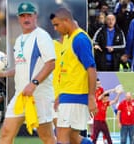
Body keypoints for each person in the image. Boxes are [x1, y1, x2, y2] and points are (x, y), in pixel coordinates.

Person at [0, 2, 56, 144]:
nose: (26, 19)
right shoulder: (19, 40)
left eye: (29, 15)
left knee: (47, 137)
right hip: (20, 95)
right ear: (18, 18)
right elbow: (22, 67)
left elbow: (51, 63)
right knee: (5, 133)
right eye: (22, 16)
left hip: (39, 95)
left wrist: (33, 83)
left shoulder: (42, 36)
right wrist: (4, 74)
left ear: (35, 16)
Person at [50, 7, 97, 144]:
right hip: (67, 95)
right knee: (73, 138)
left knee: (62, 134)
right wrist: (60, 96)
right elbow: (68, 70)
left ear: (66, 21)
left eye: (57, 24)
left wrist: (92, 97)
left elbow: (91, 68)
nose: (55, 28)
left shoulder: (80, 39)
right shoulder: (68, 39)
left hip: (76, 95)